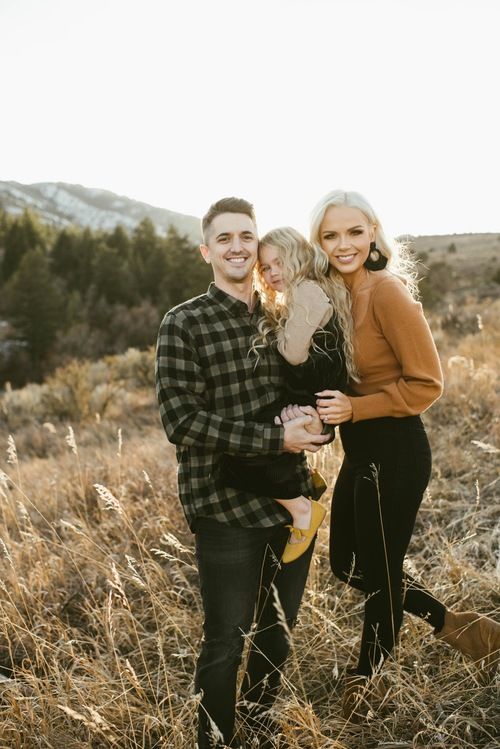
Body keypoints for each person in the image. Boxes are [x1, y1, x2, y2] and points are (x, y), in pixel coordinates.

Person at [308, 189, 500, 722]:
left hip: (395, 449)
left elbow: (428, 384)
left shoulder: (387, 292)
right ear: (318, 243)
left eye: (352, 232)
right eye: (330, 235)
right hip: (359, 451)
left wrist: (355, 407)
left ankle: (366, 684)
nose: (342, 244)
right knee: (349, 564)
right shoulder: (328, 295)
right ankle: (463, 628)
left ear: (372, 232)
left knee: (381, 569)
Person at [155, 197, 330, 748]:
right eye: (224, 238)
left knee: (277, 633)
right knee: (226, 640)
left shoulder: (284, 315)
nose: (236, 246)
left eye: (246, 237)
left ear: (257, 249)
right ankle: (215, 740)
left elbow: (314, 387)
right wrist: (272, 437)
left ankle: (256, 732)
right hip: (223, 503)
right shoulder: (183, 322)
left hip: (289, 495)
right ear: (207, 249)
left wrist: (316, 423)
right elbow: (180, 420)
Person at [220, 226, 349, 563]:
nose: (273, 272)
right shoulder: (299, 294)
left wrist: (276, 337)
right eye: (265, 268)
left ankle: (303, 510)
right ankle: (303, 481)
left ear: (298, 258)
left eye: (280, 262)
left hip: (316, 402)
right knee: (250, 446)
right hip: (309, 399)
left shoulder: (307, 291)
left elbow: (293, 353)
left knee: (239, 452)